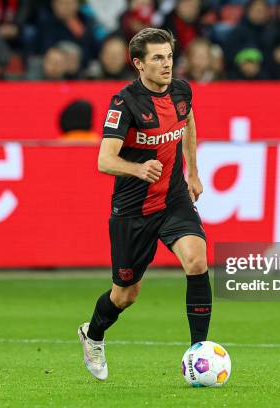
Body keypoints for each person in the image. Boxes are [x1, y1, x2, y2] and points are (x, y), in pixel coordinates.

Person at [78, 28, 210, 381]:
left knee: (197, 260)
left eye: (168, 56)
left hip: (173, 200)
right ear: (138, 64)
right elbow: (104, 160)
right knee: (125, 295)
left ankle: (200, 353)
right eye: (157, 58)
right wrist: (137, 168)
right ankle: (93, 334)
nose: (166, 64)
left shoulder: (182, 91)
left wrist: (193, 172)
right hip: (133, 210)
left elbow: (188, 122)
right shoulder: (125, 103)